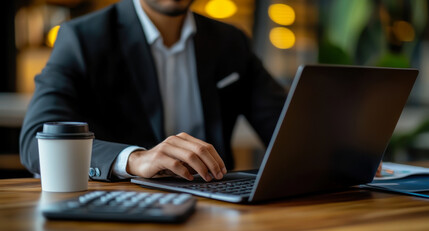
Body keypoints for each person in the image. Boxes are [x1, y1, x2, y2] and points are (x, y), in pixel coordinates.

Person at [19, 0, 287, 182]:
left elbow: (286, 127)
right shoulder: (83, 38)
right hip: (122, 209)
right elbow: (36, 140)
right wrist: (134, 159)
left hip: (218, 202)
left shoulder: (230, 41)